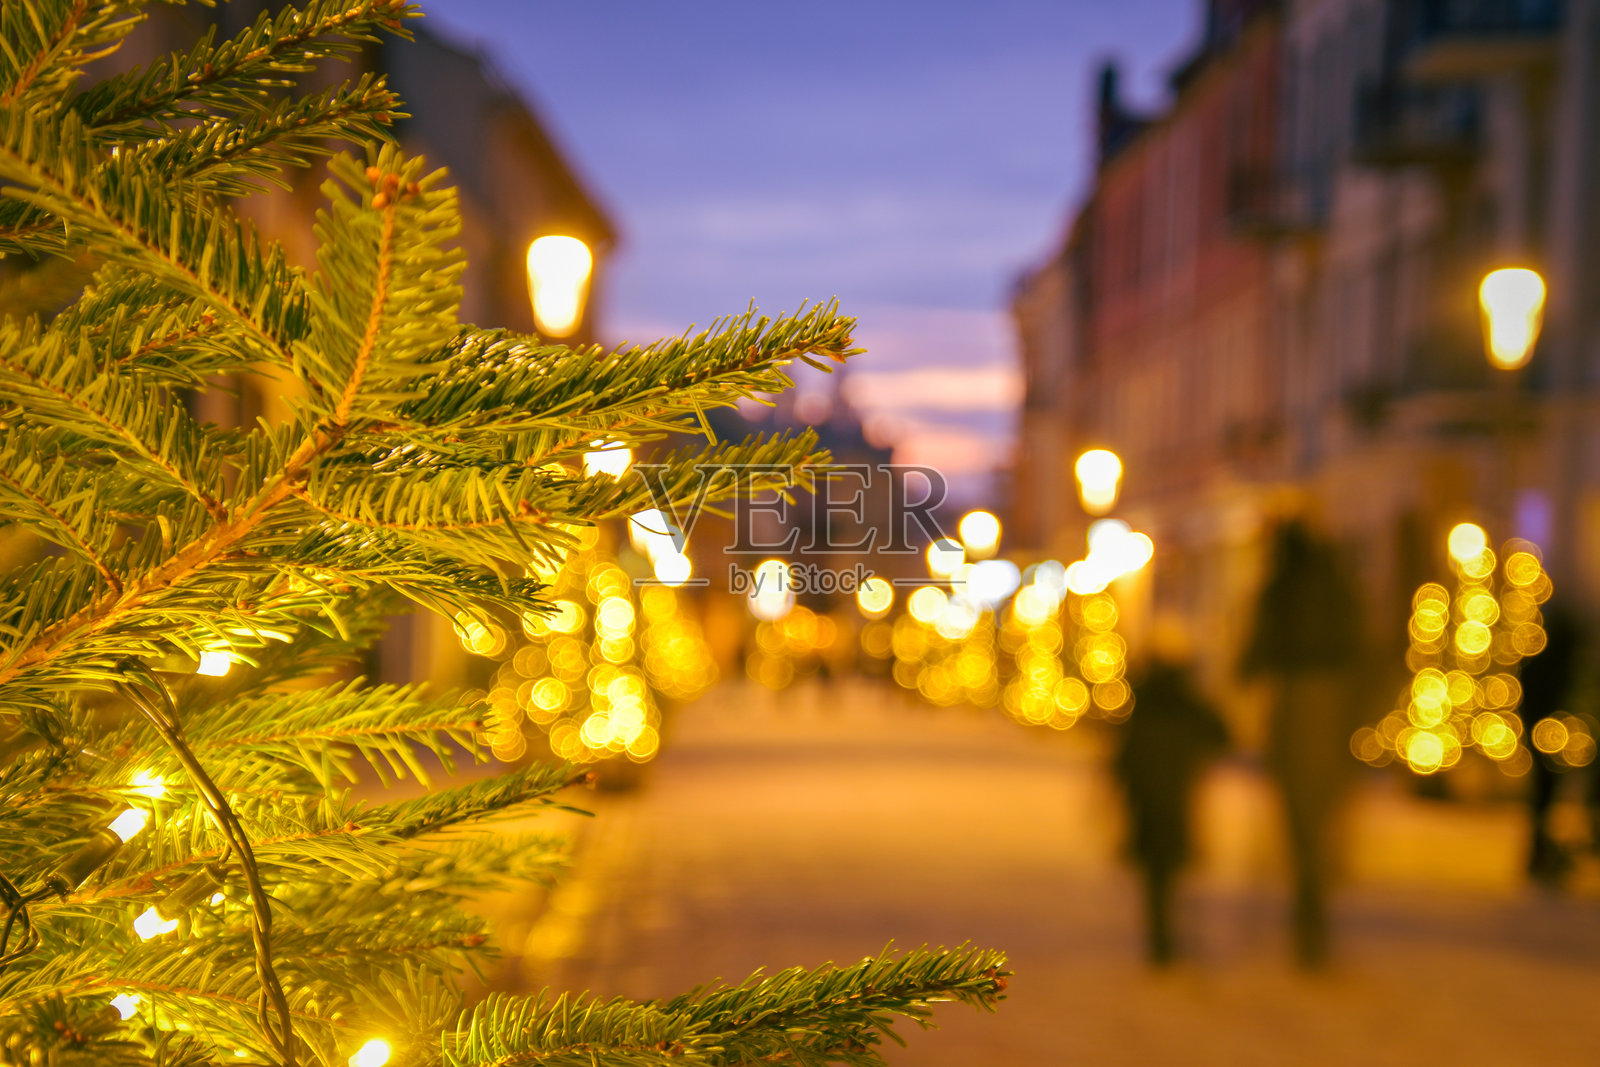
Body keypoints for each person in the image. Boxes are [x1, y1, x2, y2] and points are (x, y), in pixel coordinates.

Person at [1240, 518, 1365, 968]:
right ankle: (1314, 908)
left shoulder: (1282, 588)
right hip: (1337, 711)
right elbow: (1362, 643)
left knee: (1299, 815)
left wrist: (1248, 671)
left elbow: (1255, 649)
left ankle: (1308, 906)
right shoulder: (1339, 585)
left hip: (1296, 709)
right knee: (1323, 812)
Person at [1114, 622, 1227, 967]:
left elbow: (1123, 759)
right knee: (1169, 873)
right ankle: (1166, 943)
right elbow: (1222, 735)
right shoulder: (1188, 702)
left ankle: (1161, 943)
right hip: (1177, 799)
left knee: (1156, 878)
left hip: (1148, 801)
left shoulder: (1142, 701)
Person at [1518, 600, 1583, 883]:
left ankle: (1540, 853)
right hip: (1550, 731)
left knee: (1542, 798)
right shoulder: (1555, 662)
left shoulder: (1537, 657)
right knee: (1545, 796)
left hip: (1542, 729)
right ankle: (1542, 854)